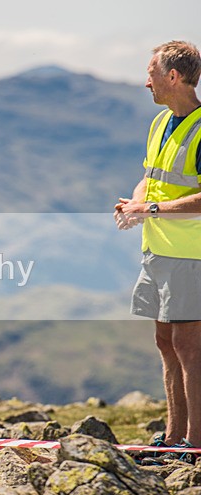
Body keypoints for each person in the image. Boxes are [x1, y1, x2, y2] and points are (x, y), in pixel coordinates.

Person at [115, 40, 201, 464]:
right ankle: (173, 436)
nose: (144, 80)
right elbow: (149, 178)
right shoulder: (159, 123)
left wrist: (150, 208)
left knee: (190, 346)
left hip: (193, 254)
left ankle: (195, 444)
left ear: (173, 76)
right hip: (158, 251)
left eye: (151, 72)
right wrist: (135, 205)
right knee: (166, 342)